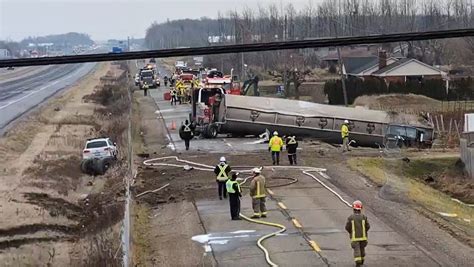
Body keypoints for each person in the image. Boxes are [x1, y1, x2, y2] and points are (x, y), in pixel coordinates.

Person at [345, 200, 370, 267]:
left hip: (355, 238)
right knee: (362, 249)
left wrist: (351, 232)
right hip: (363, 238)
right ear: (361, 209)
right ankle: (362, 260)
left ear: (353, 208)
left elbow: (347, 227)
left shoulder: (351, 218)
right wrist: (364, 232)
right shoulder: (364, 217)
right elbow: (368, 226)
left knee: (357, 250)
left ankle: (358, 263)